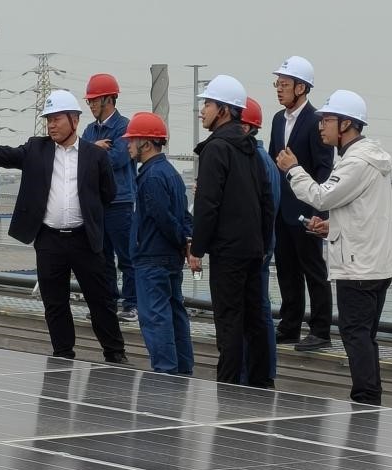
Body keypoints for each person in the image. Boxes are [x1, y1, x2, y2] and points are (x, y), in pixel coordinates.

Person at [0, 90, 127, 364]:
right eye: (48, 120)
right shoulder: (36, 149)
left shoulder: (94, 155)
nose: (51, 125)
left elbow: (108, 193)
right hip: (50, 240)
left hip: (85, 240)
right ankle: (63, 355)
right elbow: (4, 154)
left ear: (74, 120)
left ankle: (115, 353)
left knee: (100, 300)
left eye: (56, 119)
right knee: (55, 302)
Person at [278, 90, 392, 405]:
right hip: (373, 263)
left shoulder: (355, 161)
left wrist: (293, 169)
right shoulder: (366, 157)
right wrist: (332, 226)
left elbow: (321, 196)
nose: (321, 126)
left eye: (327, 120)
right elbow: (362, 212)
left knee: (355, 335)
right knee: (364, 336)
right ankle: (369, 398)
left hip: (358, 268)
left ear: (346, 124)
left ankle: (365, 400)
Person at [188, 75, 275, 386]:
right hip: (252, 249)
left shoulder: (216, 149)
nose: (203, 111)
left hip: (227, 251)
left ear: (224, 110)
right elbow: (266, 202)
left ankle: (228, 388)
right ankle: (261, 384)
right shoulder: (251, 149)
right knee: (254, 319)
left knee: (228, 322)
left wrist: (197, 247)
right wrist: (263, 243)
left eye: (208, 104)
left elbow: (207, 204)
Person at [268, 56, 335, 352]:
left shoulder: (315, 121)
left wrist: (319, 212)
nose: (279, 89)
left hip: (307, 210)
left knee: (313, 270)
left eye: (284, 84)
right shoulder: (277, 120)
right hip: (282, 209)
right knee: (286, 269)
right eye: (277, 83)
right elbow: (273, 163)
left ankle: (320, 330)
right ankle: (289, 326)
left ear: (301, 87)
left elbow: (323, 168)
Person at [124, 112, 195, 375]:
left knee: (155, 318)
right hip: (169, 258)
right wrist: (186, 243)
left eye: (132, 139)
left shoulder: (151, 176)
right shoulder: (170, 173)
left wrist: (179, 239)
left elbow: (163, 218)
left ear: (146, 142)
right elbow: (184, 216)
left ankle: (165, 372)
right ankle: (183, 369)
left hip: (152, 257)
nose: (128, 145)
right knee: (175, 313)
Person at [83, 73, 138, 322]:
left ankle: (131, 304)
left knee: (126, 256)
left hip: (120, 202)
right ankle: (107, 303)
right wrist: (94, 148)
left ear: (108, 99)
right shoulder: (89, 130)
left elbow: (116, 159)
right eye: (89, 101)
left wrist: (90, 150)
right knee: (101, 257)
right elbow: (80, 159)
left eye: (94, 100)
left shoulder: (125, 127)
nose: (91, 105)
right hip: (97, 202)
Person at [241, 96, 279, 384]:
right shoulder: (264, 160)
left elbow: (262, 208)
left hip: (254, 248)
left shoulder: (257, 161)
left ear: (245, 127)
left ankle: (256, 374)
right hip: (261, 245)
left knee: (254, 312)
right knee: (258, 309)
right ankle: (262, 373)